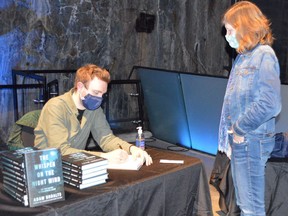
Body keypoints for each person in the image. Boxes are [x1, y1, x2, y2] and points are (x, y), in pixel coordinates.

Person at [218, 1, 281, 215]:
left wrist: (238, 128)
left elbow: (269, 103)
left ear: (244, 27)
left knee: (251, 208)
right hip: (242, 140)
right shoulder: (242, 58)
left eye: (230, 30)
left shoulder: (263, 55)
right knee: (246, 205)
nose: (226, 35)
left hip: (251, 140)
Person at [34, 64, 153, 166]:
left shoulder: (93, 108)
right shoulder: (55, 107)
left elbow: (106, 139)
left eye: (103, 94)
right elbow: (61, 151)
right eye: (96, 92)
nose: (100, 98)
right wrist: (103, 156)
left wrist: (132, 149)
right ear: (80, 87)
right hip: (48, 170)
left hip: (75, 166)